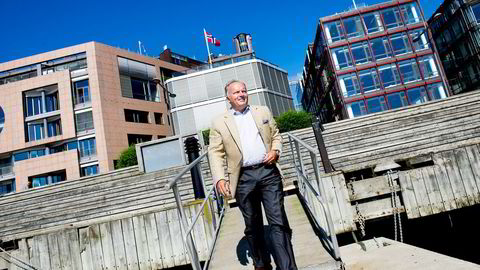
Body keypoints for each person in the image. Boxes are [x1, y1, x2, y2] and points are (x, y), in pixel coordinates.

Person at [208, 80, 297, 270]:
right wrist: (220, 178)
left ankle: (287, 267)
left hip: (268, 173)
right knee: (252, 223)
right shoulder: (218, 122)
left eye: (244, 91)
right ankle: (261, 263)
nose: (241, 94)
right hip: (242, 178)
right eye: (236, 92)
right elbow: (215, 152)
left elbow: (276, 135)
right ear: (228, 97)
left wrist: (275, 150)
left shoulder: (262, 111)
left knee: (277, 221)